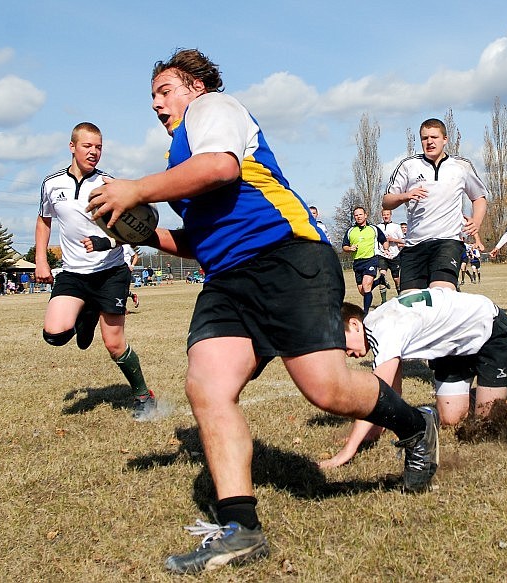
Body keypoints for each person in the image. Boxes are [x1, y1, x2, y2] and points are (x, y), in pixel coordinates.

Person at [85, 48, 439, 575]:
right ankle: (241, 529)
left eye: (165, 90)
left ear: (196, 88)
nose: (157, 104)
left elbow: (222, 169)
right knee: (207, 386)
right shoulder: (179, 158)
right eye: (152, 97)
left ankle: (415, 426)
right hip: (227, 279)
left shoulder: (215, 111)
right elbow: (203, 237)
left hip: (286, 256)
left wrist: (136, 188)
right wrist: (142, 233)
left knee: (327, 389)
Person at [35, 122, 156, 420]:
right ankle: (86, 311)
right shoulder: (51, 184)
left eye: (99, 147)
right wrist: (41, 258)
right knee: (54, 334)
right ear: (72, 146)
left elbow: (135, 229)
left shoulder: (109, 186)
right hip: (73, 273)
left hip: (110, 271)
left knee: (114, 343)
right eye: (88, 146)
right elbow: (44, 221)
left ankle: (144, 395)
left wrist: (107, 241)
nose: (94, 152)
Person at [319, 287, 507, 469]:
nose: (346, 352)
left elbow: (376, 393)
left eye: (342, 343)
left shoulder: (383, 329)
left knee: (488, 422)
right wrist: (374, 430)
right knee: (451, 418)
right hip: (453, 349)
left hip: (488, 329)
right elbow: (393, 393)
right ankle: (482, 392)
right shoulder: (379, 324)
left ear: (354, 323)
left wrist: (347, 451)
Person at [384, 118, 488, 291]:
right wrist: (405, 196)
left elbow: (479, 197)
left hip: (447, 242)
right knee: (411, 301)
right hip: (414, 245)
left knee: (441, 294)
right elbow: (386, 201)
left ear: (445, 139)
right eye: (425, 138)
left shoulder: (461, 166)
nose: (429, 142)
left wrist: (476, 222)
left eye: (434, 137)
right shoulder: (408, 165)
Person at [342, 206, 388, 314]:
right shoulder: (350, 231)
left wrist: (386, 249)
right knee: (362, 291)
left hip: (371, 259)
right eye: (356, 215)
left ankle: (365, 312)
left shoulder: (373, 229)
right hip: (358, 262)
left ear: (365, 215)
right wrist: (350, 248)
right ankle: (379, 281)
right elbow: (344, 246)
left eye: (360, 214)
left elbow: (384, 240)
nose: (358, 217)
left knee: (366, 285)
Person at [376, 208, 404, 302]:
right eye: (384, 214)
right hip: (382, 255)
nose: (386, 216)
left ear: (390, 215)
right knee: (382, 276)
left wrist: (393, 239)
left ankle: (401, 298)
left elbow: (403, 240)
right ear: (382, 215)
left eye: (387, 214)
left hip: (394, 255)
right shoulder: (378, 227)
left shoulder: (396, 226)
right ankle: (383, 301)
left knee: (396, 279)